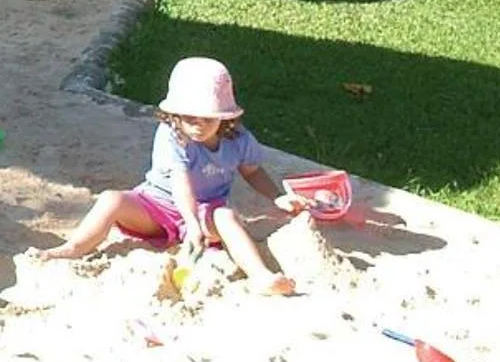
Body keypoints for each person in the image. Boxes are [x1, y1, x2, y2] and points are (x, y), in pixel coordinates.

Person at [33, 56, 301, 294]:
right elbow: (180, 182)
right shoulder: (172, 135)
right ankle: (76, 246)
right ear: (175, 114)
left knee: (226, 216)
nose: (197, 126)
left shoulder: (238, 139)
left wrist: (277, 198)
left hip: (206, 210)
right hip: (156, 207)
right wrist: (190, 224)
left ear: (224, 117)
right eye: (190, 118)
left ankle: (260, 275)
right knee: (110, 199)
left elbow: (252, 171)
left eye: (208, 119)